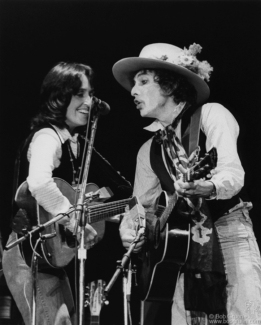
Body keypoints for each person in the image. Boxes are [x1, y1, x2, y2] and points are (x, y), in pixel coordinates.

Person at [112, 43, 261, 324]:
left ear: (169, 85)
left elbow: (231, 172)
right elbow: (138, 208)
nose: (133, 91)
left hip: (228, 231)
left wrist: (207, 186)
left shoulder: (211, 115)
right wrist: (130, 230)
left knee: (247, 318)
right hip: (182, 251)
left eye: (143, 81)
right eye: (134, 84)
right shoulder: (148, 150)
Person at [2, 62, 99, 325]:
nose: (89, 102)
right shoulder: (48, 137)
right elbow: (40, 183)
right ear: (59, 97)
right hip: (27, 255)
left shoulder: (70, 141)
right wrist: (74, 219)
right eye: (80, 94)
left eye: (90, 94)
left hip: (47, 259)